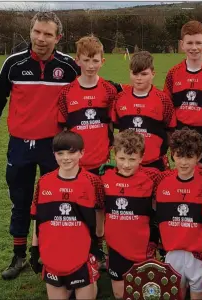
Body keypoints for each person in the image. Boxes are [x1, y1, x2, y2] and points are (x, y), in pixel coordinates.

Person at [0, 11, 80, 280]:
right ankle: (19, 256)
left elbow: (91, 91)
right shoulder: (14, 63)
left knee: (54, 202)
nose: (41, 38)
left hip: (56, 147)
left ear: (58, 38)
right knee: (20, 200)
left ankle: (47, 253)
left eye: (48, 34)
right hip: (20, 146)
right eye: (37, 32)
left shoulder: (69, 66)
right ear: (30, 32)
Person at [57, 35, 119, 271]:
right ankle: (81, 249)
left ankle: (98, 250)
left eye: (95, 60)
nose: (91, 65)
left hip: (101, 163)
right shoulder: (67, 93)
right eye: (86, 60)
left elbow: (113, 125)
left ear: (103, 61)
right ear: (77, 61)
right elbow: (63, 128)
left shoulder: (108, 91)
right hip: (75, 166)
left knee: (100, 209)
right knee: (77, 208)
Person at [29, 131, 104, 300]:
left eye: (72, 152)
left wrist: (98, 242)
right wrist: (34, 247)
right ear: (54, 154)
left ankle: (91, 281)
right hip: (53, 256)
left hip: (82, 255)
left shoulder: (92, 182)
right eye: (60, 153)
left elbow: (100, 211)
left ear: (82, 153)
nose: (66, 158)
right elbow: (38, 219)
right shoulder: (44, 182)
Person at [99, 130, 160, 299]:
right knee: (120, 294)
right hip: (116, 246)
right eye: (122, 158)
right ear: (114, 154)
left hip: (142, 247)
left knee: (144, 292)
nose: (126, 164)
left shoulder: (152, 177)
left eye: (132, 159)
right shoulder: (104, 178)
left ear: (141, 157)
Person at [155, 128, 202, 300]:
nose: (183, 162)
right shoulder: (161, 180)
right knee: (175, 294)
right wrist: (113, 169)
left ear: (199, 157)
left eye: (189, 157)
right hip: (172, 253)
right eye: (179, 156)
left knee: (198, 295)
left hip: (198, 255)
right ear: (172, 155)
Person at [164, 20, 202, 168]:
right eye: (189, 43)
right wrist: (172, 139)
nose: (194, 48)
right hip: (180, 134)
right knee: (184, 174)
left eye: (198, 43)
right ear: (182, 44)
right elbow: (167, 110)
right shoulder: (173, 73)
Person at [111, 51, 176, 171]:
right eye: (135, 74)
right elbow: (113, 127)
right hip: (127, 164)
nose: (139, 78)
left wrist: (165, 151)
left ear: (153, 74)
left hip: (154, 163)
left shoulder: (163, 99)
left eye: (144, 74)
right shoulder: (120, 98)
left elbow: (170, 130)